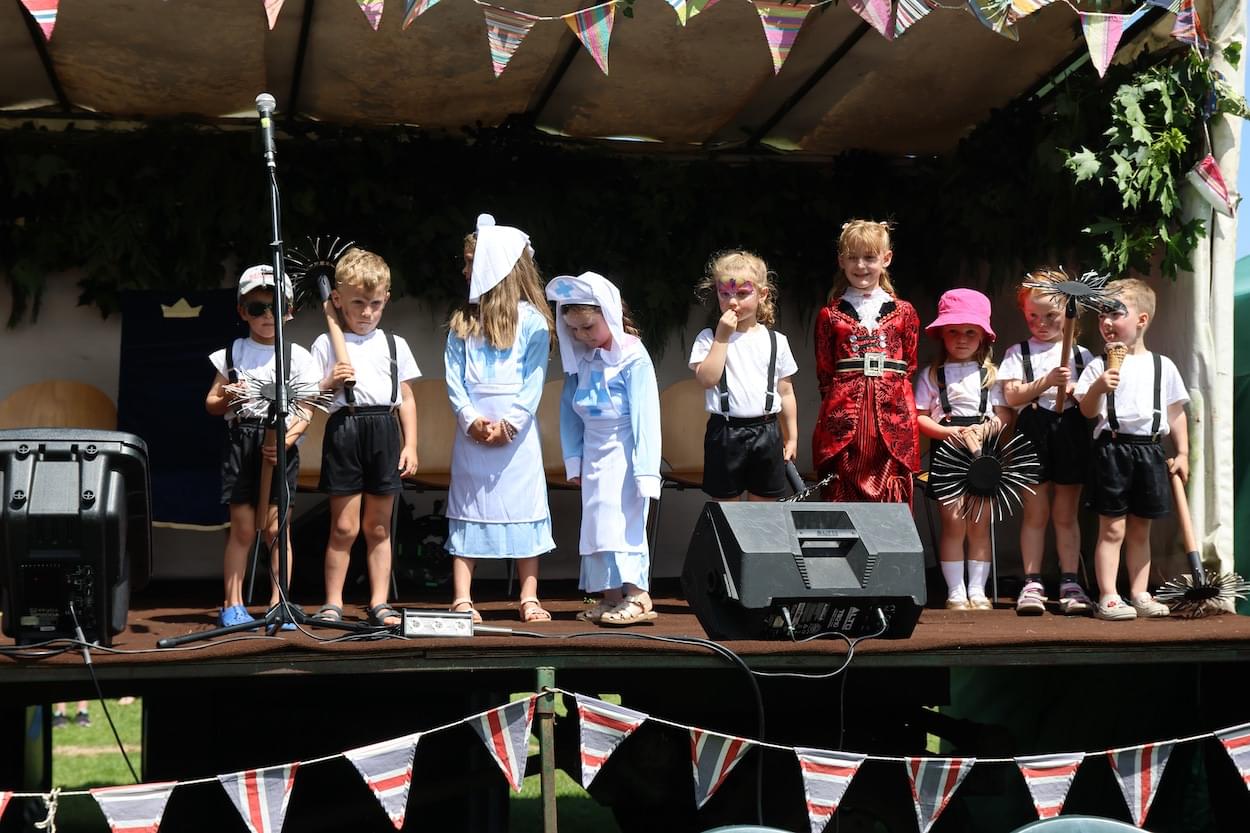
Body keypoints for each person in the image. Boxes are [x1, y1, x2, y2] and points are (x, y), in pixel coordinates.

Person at [445, 215, 555, 624]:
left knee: (522, 503)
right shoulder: (463, 323)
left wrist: (511, 424)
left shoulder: (532, 323)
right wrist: (469, 419)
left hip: (516, 438)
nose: (465, 270)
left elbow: (533, 380)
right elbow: (454, 379)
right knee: (469, 504)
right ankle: (462, 597)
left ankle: (529, 595)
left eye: (471, 262)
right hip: (472, 435)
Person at [311, 247, 420, 628]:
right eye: (358, 303)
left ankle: (379, 601)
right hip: (346, 428)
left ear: (386, 299)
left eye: (375, 304)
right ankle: (332, 602)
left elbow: (406, 398)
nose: (367, 313)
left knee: (378, 527)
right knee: (344, 527)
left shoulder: (394, 344)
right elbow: (312, 400)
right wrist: (329, 382)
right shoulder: (326, 343)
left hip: (384, 431)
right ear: (337, 299)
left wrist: (411, 444)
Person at [547, 272, 662, 626]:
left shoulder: (632, 356)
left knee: (623, 521)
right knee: (597, 523)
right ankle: (609, 595)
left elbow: (646, 415)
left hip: (624, 450)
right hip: (594, 452)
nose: (582, 336)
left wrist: (646, 469)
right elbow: (569, 411)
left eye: (588, 327)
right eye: (574, 330)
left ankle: (637, 595)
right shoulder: (581, 358)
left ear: (609, 314)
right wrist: (574, 458)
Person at [206, 265, 317, 628]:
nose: (267, 315)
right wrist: (228, 395)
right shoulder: (233, 353)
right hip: (242, 441)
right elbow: (211, 404)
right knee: (241, 528)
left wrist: (286, 441)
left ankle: (279, 601)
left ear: (289, 311)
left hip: (280, 443)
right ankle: (232, 603)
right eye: (257, 308)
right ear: (243, 311)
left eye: (276, 307)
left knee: (276, 529)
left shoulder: (297, 356)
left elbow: (308, 409)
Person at [1074, 278, 1189, 621]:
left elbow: (1175, 412)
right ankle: (1108, 595)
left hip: (1150, 452)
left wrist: (1183, 452)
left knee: (1141, 529)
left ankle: (1140, 593)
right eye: (1101, 315)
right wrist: (1098, 388)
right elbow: (1087, 412)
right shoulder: (1098, 365)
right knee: (1112, 529)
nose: (1106, 322)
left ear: (1141, 320)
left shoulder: (1162, 366)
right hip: (1112, 450)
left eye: (1115, 314)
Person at [999, 272, 1096, 616]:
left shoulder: (1082, 355)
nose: (1041, 323)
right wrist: (1045, 382)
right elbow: (1012, 396)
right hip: (1032, 428)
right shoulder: (1018, 353)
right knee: (1035, 512)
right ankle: (1032, 581)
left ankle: (1070, 580)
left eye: (1051, 315)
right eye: (1033, 316)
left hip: (1070, 429)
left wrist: (1078, 391)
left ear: (1069, 313)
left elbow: (1092, 403)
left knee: (1066, 513)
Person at [914, 289, 1012, 611]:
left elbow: (1004, 416)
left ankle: (978, 590)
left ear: (983, 335)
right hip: (948, 450)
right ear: (942, 335)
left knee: (980, 523)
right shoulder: (932, 375)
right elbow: (919, 417)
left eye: (970, 332)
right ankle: (955, 591)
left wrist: (986, 430)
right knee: (953, 521)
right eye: (953, 331)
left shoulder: (992, 376)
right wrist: (945, 431)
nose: (961, 339)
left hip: (984, 453)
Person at [812, 220, 920, 503]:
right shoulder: (830, 315)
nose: (861, 266)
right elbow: (825, 373)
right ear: (841, 261)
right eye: (853, 258)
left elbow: (909, 366)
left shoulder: (904, 312)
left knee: (891, 486)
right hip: (846, 420)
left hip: (892, 417)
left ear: (886, 258)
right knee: (842, 484)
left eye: (870, 257)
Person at [688, 250, 798, 501]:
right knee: (728, 510)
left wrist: (792, 436)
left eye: (742, 293)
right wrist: (722, 337)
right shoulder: (709, 338)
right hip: (726, 432)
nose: (732, 301)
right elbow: (707, 379)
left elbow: (786, 392)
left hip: (767, 430)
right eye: (724, 294)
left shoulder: (776, 341)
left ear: (762, 294)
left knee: (764, 509)